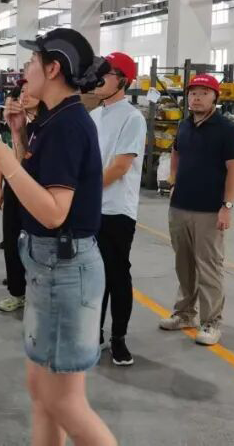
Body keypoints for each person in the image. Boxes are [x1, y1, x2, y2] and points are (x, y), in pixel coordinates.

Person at [0, 28, 116, 446]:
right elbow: (37, 181)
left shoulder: (68, 125)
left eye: (31, 62)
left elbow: (53, 212)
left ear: (53, 68)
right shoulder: (51, 119)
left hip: (65, 269)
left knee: (63, 401)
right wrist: (17, 137)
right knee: (42, 392)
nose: (24, 70)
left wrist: (2, 157)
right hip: (48, 266)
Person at [161, 73, 234, 346]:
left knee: (209, 268)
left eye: (203, 93)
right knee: (184, 265)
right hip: (180, 207)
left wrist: (227, 206)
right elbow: (176, 152)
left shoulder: (227, 130)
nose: (196, 98)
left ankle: (211, 322)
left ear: (215, 98)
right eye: (193, 93)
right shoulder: (184, 125)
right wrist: (173, 180)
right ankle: (185, 314)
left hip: (209, 210)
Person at [89, 52, 145, 367]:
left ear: (123, 80)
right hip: (92, 209)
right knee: (94, 277)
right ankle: (93, 332)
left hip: (117, 211)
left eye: (107, 73)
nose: (99, 78)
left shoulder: (132, 118)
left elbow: (120, 166)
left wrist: (84, 191)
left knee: (117, 275)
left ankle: (118, 337)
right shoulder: (94, 115)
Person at [0, 80, 38, 314]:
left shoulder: (45, 125)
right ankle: (17, 292)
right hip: (15, 185)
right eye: (22, 92)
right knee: (11, 240)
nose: (24, 95)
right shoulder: (16, 122)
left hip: (37, 190)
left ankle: (35, 290)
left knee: (35, 243)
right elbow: (6, 157)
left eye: (30, 90)